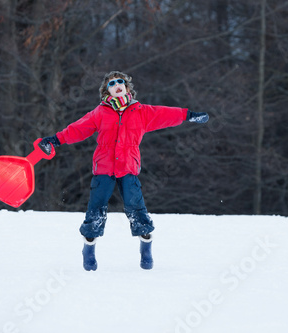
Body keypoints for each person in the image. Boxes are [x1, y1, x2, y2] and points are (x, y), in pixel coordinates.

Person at [40, 71, 209, 271]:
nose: (117, 84)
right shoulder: (100, 112)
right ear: (107, 91)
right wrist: (55, 139)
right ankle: (89, 250)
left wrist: (189, 115)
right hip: (103, 168)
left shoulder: (141, 112)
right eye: (112, 83)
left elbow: (165, 114)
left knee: (136, 210)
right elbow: (77, 129)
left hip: (128, 167)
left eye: (121, 82)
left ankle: (146, 250)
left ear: (127, 88)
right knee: (95, 211)